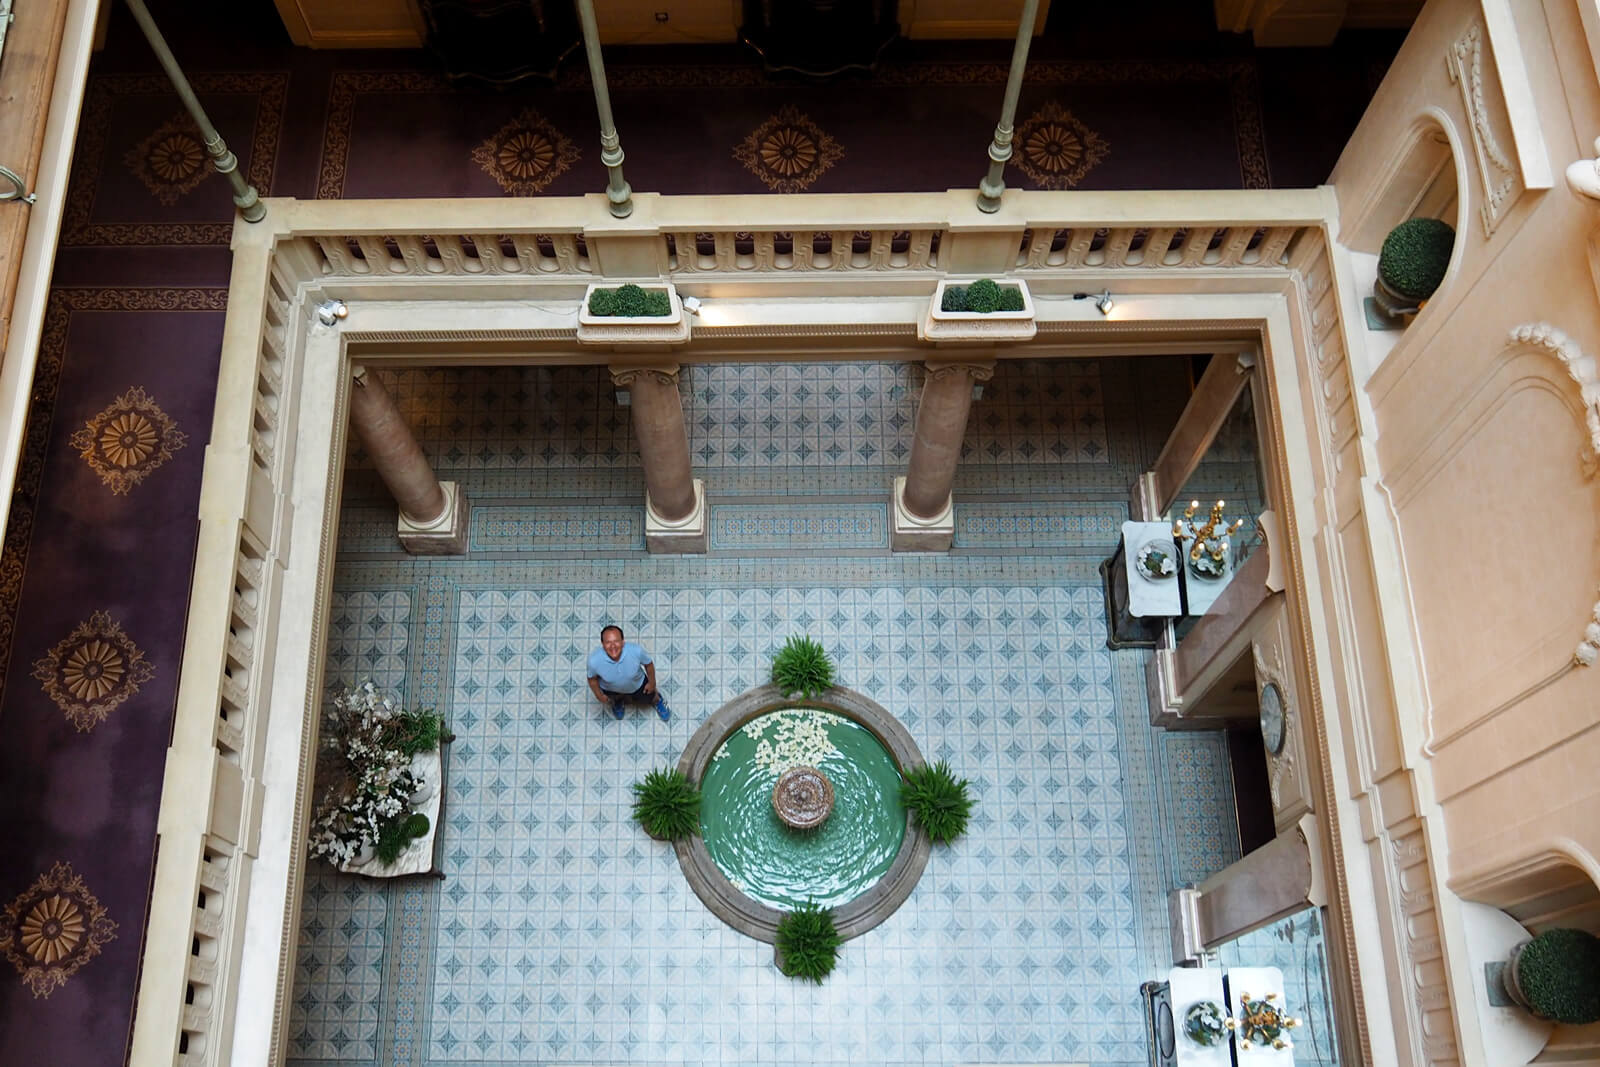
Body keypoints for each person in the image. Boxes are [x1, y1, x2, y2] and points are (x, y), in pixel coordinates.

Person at [586, 624, 671, 722]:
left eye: (616, 641)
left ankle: (657, 700)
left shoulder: (636, 651)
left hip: (637, 685)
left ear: (623, 642)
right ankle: (618, 701)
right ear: (602, 644)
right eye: (608, 642)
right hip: (610, 689)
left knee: (648, 698)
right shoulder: (594, 661)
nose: (613, 646)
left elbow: (649, 664)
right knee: (615, 697)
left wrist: (652, 683)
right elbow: (592, 679)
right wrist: (598, 695)